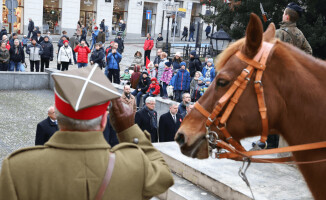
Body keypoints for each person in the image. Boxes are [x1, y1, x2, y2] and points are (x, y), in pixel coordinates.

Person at [0, 66, 173, 199]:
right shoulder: (134, 165)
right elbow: (164, 176)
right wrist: (128, 128)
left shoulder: (18, 169)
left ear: (58, 117)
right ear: (104, 121)